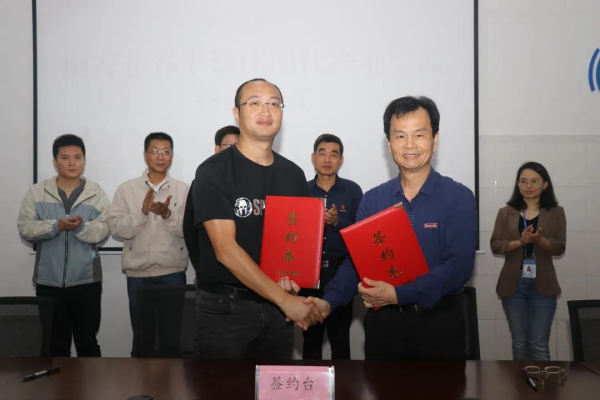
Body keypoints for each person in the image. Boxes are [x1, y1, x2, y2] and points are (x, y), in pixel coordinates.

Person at [303, 96, 478, 360]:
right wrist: (329, 301)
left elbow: (458, 267)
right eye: (400, 136)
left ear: (435, 139)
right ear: (389, 144)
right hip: (384, 327)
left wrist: (398, 294)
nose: (410, 145)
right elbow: (356, 263)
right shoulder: (373, 200)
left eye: (419, 134)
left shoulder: (458, 197)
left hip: (439, 325)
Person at [192, 78, 322, 360]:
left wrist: (292, 286)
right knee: (221, 384)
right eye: (255, 103)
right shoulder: (213, 171)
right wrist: (286, 300)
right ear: (236, 113)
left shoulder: (293, 175)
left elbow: (294, 244)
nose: (266, 111)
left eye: (274, 104)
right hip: (225, 309)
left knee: (275, 383)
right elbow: (225, 250)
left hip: (277, 312)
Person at [17, 134, 110, 357]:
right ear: (54, 161)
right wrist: (56, 225)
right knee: (55, 346)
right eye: (65, 157)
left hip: (86, 282)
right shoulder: (37, 192)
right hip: (49, 282)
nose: (72, 163)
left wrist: (80, 227)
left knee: (88, 344)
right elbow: (25, 228)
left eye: (77, 157)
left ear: (84, 161)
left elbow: (104, 229)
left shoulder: (96, 193)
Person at [108, 132, 189, 354]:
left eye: (166, 152)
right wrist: (142, 212)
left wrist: (167, 214)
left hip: (173, 274)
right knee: (142, 342)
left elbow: (189, 230)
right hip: (138, 276)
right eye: (154, 151)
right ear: (145, 155)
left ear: (172, 156)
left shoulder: (183, 190)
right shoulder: (127, 189)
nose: (160, 156)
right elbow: (116, 228)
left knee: (171, 342)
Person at [491, 162, 565, 361]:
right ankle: (522, 381)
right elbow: (495, 245)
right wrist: (519, 242)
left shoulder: (556, 212)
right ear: (518, 184)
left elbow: (560, 247)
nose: (528, 186)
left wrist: (539, 240)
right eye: (523, 181)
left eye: (534, 181)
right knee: (519, 343)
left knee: (539, 344)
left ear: (545, 184)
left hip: (543, 283)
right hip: (513, 284)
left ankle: (541, 381)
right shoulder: (505, 212)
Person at [301, 134, 362, 360]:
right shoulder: (301, 190)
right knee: (310, 340)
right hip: (309, 275)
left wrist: (337, 222)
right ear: (313, 157)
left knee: (340, 340)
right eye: (322, 153)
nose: (327, 159)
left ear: (341, 160)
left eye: (334, 154)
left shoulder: (353, 191)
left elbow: (361, 234)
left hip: (341, 274)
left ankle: (343, 383)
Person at [183, 126, 240, 269]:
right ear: (217, 148)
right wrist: (201, 267)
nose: (234, 151)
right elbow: (190, 231)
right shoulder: (203, 181)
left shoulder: (250, 182)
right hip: (213, 268)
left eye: (238, 146)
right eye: (229, 146)